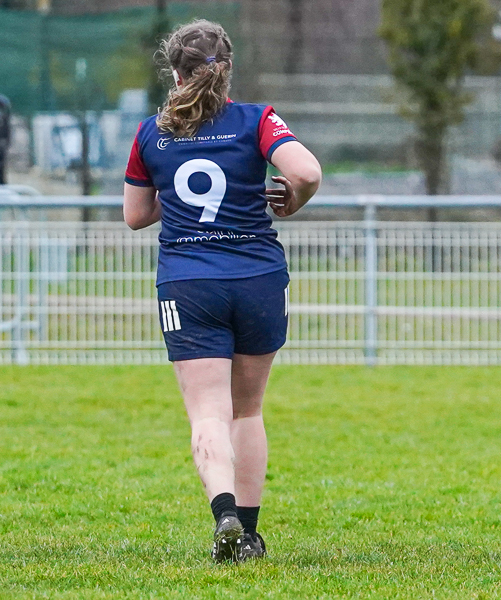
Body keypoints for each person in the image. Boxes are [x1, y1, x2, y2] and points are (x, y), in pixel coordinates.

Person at [123, 19, 321, 562]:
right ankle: (250, 536)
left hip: (188, 282)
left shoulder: (150, 133)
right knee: (247, 410)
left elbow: (135, 216)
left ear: (175, 71)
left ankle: (224, 513)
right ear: (226, 67)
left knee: (207, 412)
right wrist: (292, 201)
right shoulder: (257, 119)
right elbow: (306, 171)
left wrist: (173, 193)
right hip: (257, 277)